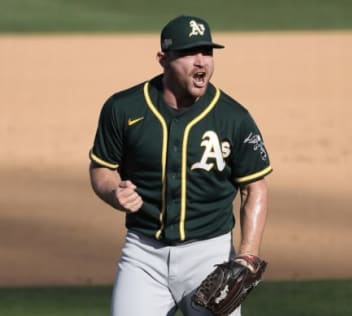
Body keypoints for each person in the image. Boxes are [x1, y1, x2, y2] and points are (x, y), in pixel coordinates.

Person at [88, 15, 273, 316]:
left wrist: (247, 256)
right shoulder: (123, 108)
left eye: (207, 52)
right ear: (163, 59)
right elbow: (101, 167)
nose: (201, 62)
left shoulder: (234, 118)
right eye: (189, 53)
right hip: (143, 256)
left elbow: (254, 187)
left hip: (210, 259)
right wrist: (112, 191)